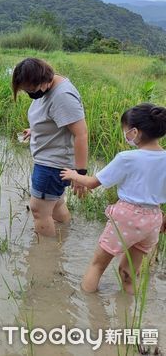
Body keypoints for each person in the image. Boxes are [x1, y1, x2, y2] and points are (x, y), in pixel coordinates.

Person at [61, 103, 166, 294]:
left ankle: (86, 304)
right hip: (153, 219)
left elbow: (93, 182)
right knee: (129, 272)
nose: (125, 135)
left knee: (97, 266)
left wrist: (73, 175)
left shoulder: (127, 158)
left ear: (134, 132)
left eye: (125, 130)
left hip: (128, 217)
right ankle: (128, 310)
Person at [11, 57, 88, 238]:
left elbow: (81, 134)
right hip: (51, 160)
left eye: (31, 89)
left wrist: (80, 174)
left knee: (39, 210)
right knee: (56, 204)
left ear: (44, 81)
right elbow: (58, 120)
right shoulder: (50, 87)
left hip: (52, 164)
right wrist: (36, 129)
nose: (29, 93)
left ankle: (46, 257)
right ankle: (65, 238)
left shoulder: (62, 96)